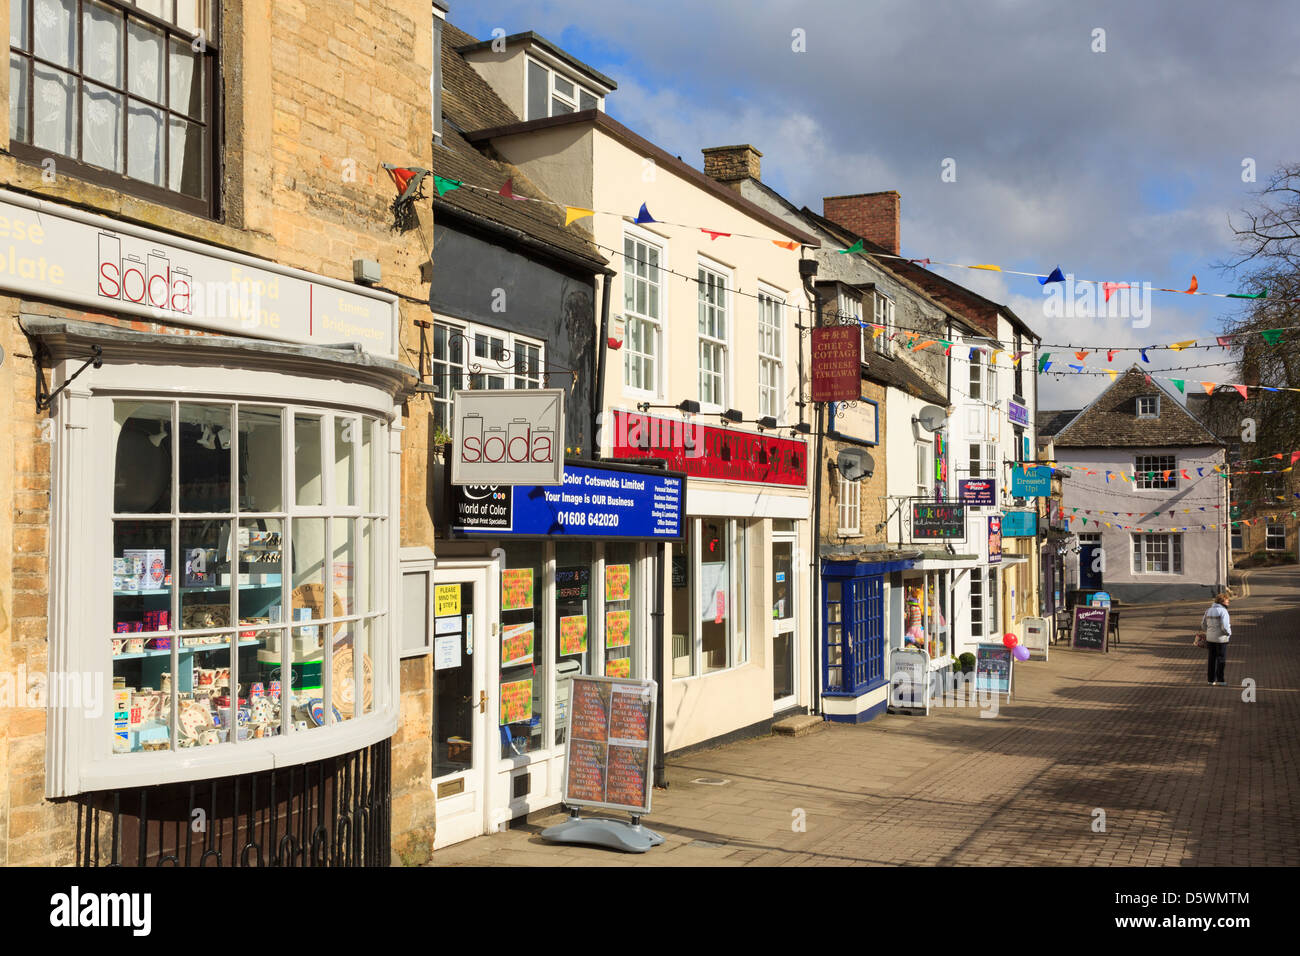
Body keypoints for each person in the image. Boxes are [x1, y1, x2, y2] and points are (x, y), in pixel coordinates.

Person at [1201, 591, 1232, 685]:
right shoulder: (1223, 611)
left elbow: (1203, 625)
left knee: (1212, 659)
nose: (1228, 603)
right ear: (1222, 602)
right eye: (1227, 601)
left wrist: (1209, 631)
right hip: (1221, 639)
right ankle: (1220, 680)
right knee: (1221, 659)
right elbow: (1225, 626)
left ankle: (1211, 680)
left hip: (1210, 639)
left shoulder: (1208, 610)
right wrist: (1229, 634)